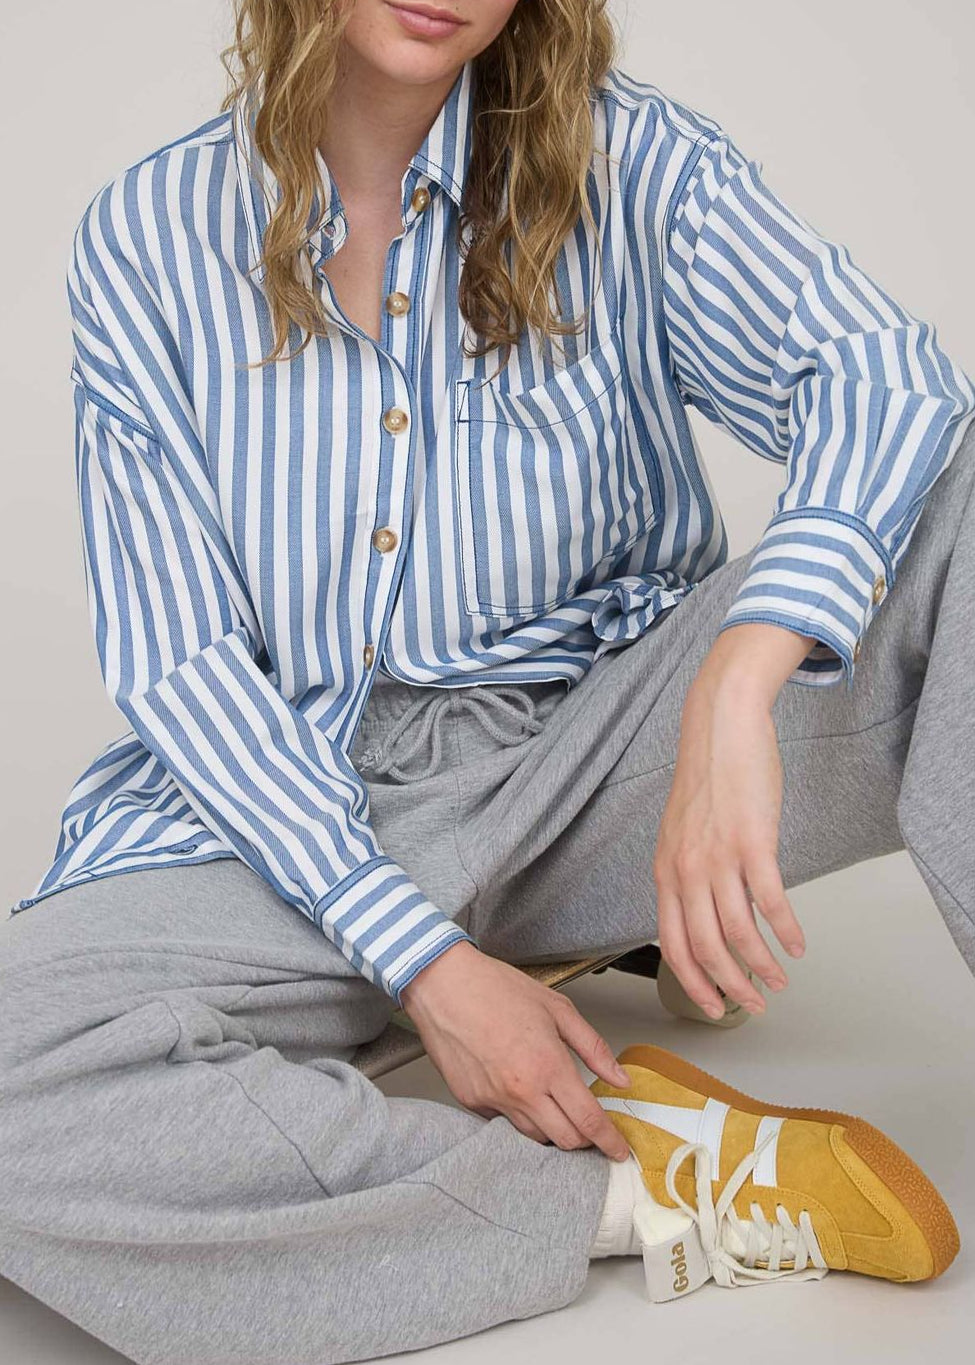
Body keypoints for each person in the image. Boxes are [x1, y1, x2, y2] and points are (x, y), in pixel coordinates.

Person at [2, 1, 973, 1360]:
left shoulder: (633, 168)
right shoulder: (148, 235)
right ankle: (641, 1185)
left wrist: (740, 681)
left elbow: (883, 374)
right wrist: (430, 966)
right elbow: (179, 655)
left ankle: (536, 959)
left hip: (595, 756)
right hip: (304, 803)